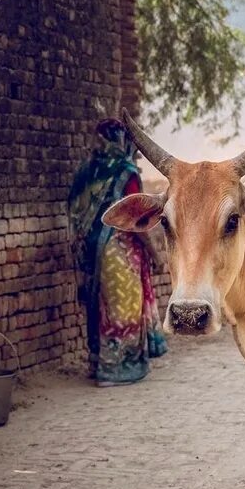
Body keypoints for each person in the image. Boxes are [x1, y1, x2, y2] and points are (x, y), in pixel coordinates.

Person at [68, 119, 168, 386]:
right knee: (123, 310)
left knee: (98, 307)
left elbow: (74, 212)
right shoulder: (126, 173)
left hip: (90, 251)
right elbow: (137, 220)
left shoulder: (86, 172)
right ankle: (117, 370)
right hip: (118, 251)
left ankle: (96, 362)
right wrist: (156, 255)